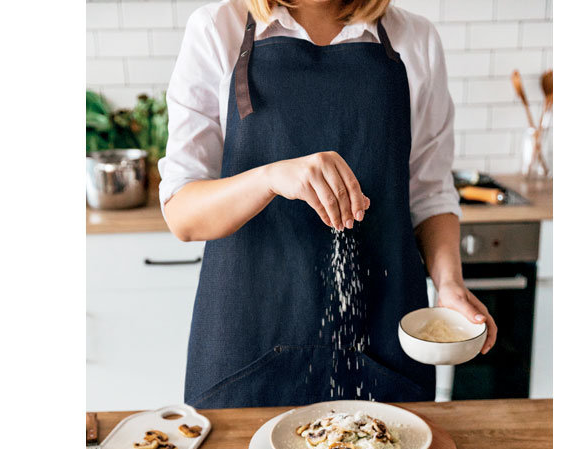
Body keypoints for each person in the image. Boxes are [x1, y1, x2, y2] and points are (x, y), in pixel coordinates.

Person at [159, 0, 497, 408]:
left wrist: (449, 285)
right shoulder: (218, 30)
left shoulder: (415, 39)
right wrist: (269, 178)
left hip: (381, 338)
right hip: (247, 342)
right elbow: (182, 213)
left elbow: (430, 194)